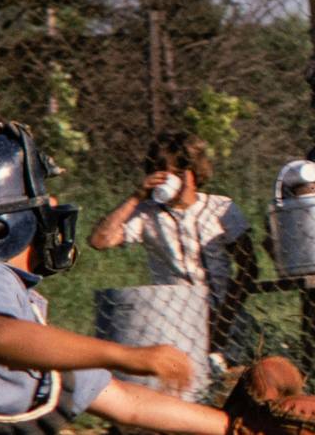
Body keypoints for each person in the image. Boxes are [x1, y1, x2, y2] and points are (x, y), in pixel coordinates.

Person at [0, 123, 315, 434]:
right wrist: (125, 353)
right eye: (40, 204)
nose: (54, 213)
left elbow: (125, 401)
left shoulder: (25, 314)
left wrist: (235, 428)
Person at [88, 132, 254, 363]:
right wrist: (137, 196)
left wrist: (227, 315)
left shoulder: (220, 208)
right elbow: (100, 240)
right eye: (165, 174)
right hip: (173, 316)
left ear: (195, 173)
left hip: (224, 312)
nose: (173, 181)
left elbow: (248, 267)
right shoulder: (147, 215)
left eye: (179, 173)